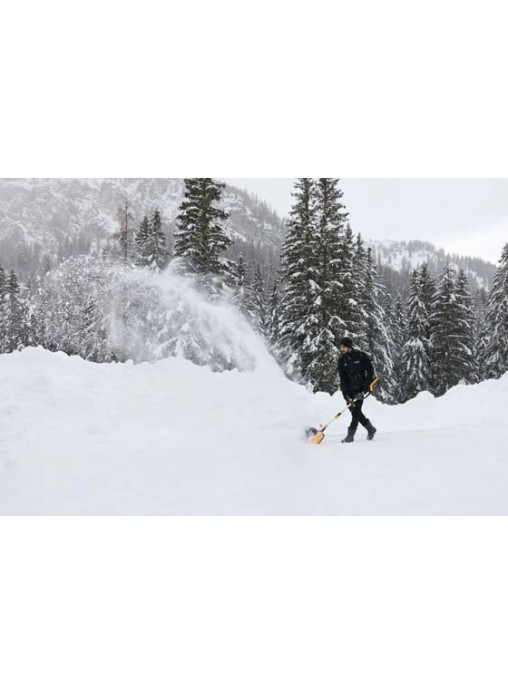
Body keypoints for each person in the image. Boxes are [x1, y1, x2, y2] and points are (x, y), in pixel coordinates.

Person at [337, 336, 377, 443]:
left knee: (356, 412)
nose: (342, 349)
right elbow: (342, 378)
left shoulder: (361, 356)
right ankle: (371, 429)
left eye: (344, 347)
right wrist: (345, 394)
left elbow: (370, 370)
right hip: (349, 390)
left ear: (349, 347)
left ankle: (350, 436)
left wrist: (366, 387)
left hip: (360, 389)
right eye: (341, 347)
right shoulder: (341, 360)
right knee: (355, 412)